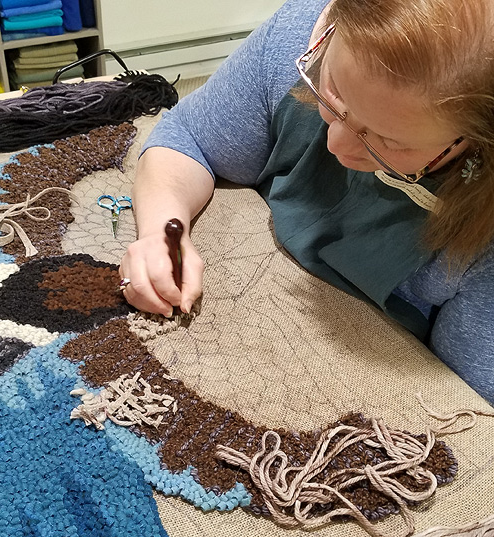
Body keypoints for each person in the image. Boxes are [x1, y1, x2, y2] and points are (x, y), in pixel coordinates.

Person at [119, 0, 494, 404]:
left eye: (387, 142)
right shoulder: (299, 35)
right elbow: (189, 138)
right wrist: (161, 231)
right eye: (333, 96)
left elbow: (469, 406)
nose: (337, 145)